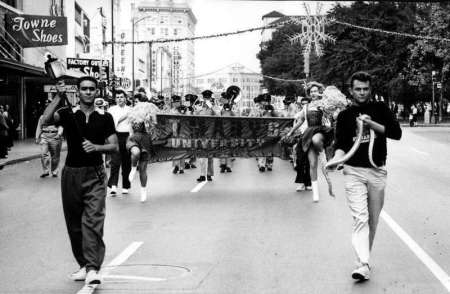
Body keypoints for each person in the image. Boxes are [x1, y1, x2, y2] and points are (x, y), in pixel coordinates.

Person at [41, 76, 118, 285]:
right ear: (78, 91)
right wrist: (58, 96)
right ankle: (84, 265)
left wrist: (97, 147)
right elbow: (46, 119)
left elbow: (114, 146)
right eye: (84, 89)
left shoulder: (105, 117)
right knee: (74, 224)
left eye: (92, 89)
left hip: (95, 174)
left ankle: (93, 268)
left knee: (93, 222)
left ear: (97, 92)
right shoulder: (67, 114)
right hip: (71, 174)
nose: (88, 92)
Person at [327, 71, 402, 281]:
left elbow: (396, 133)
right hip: (353, 171)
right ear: (351, 90)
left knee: (372, 221)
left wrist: (372, 125)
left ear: (370, 90)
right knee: (360, 218)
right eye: (357, 89)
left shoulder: (380, 109)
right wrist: (335, 160)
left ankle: (364, 261)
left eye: (365, 89)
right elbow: (341, 145)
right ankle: (362, 264)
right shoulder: (344, 116)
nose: (361, 93)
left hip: (377, 171)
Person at [286, 82, 334, 202]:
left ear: (319, 92)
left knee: (316, 139)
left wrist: (325, 109)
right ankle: (315, 193)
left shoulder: (324, 102)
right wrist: (291, 132)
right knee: (312, 164)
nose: (313, 93)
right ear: (309, 93)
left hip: (321, 131)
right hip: (309, 132)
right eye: (311, 91)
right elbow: (301, 120)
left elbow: (331, 114)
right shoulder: (306, 106)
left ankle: (323, 153)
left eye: (315, 91)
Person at [127, 96, 158, 202]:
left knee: (143, 169)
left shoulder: (150, 116)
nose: (138, 105)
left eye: (139, 102)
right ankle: (133, 168)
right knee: (135, 153)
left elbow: (153, 129)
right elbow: (129, 128)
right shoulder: (132, 114)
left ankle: (143, 191)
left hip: (145, 141)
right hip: (133, 139)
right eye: (135, 102)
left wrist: (148, 121)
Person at [107, 89, 132, 196]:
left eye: (121, 97)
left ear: (125, 98)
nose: (119, 99)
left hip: (127, 136)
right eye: (117, 97)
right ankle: (113, 186)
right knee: (115, 162)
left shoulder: (131, 109)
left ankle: (125, 186)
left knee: (126, 163)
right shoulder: (111, 110)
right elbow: (110, 124)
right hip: (116, 136)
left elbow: (133, 125)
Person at [35, 99, 64, 178]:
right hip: (44, 136)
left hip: (55, 136)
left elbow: (61, 126)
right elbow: (39, 127)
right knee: (43, 154)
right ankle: (46, 171)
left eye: (49, 104)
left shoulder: (57, 116)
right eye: (46, 104)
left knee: (55, 156)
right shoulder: (42, 117)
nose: (47, 105)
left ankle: (54, 171)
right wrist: (37, 137)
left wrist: (59, 134)